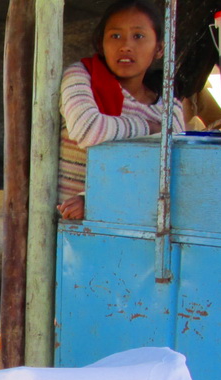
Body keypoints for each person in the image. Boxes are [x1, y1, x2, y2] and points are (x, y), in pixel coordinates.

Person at [57, 0, 184, 221]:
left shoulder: (170, 110)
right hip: (71, 230)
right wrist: (149, 129)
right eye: (115, 36)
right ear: (101, 44)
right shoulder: (82, 76)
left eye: (138, 36)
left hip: (135, 226)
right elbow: (87, 130)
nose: (125, 45)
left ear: (160, 48)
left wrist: (94, 200)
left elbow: (167, 177)